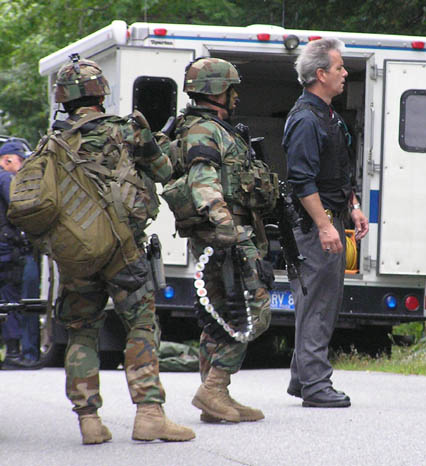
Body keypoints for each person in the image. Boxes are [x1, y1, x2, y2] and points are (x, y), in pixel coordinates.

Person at [50, 55, 194, 444]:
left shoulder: (52, 143)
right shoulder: (127, 131)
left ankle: (89, 422)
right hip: (122, 250)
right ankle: (149, 414)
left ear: (63, 99)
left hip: (77, 254)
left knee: (81, 331)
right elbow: (166, 174)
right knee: (142, 326)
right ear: (101, 94)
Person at [164, 57, 275, 423]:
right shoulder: (203, 132)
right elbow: (202, 178)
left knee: (220, 314)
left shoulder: (210, 127)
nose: (236, 96)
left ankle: (218, 394)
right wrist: (224, 223)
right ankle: (213, 388)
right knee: (251, 313)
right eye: (231, 89)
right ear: (216, 91)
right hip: (225, 234)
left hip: (223, 234)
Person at [282, 38, 369, 408]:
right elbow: (301, 180)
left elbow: (336, 172)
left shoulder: (328, 116)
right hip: (313, 226)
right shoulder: (305, 119)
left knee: (319, 301)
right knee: (318, 303)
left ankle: (302, 378)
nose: (345, 73)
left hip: (333, 214)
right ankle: (317, 386)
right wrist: (323, 224)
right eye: (339, 68)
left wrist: (354, 207)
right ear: (320, 74)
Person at [0, 140, 37, 366]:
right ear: (8, 160)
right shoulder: (5, 178)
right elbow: (19, 207)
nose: (22, 166)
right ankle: (14, 354)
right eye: (21, 161)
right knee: (10, 300)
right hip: (5, 246)